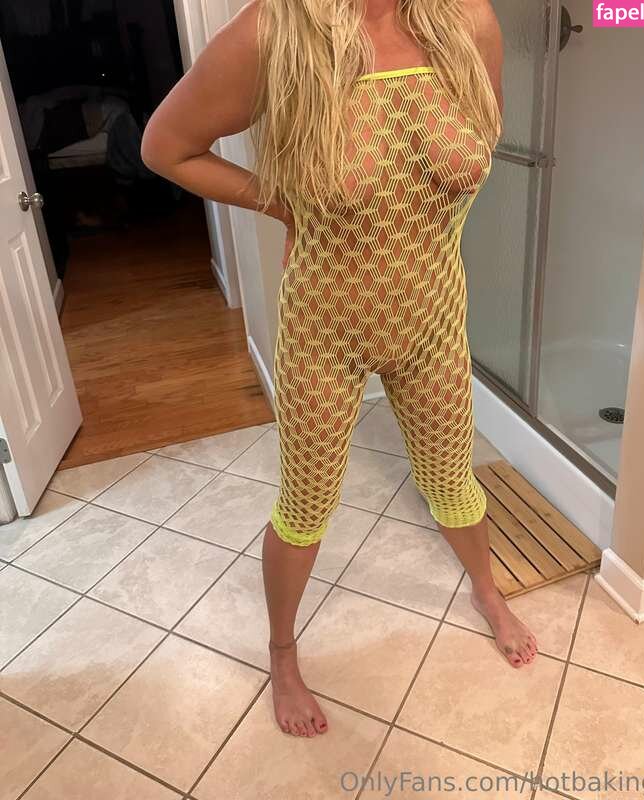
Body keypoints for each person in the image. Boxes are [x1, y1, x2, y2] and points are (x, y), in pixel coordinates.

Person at [141, 0, 538, 740]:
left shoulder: (466, 20)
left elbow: (478, 140)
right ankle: (282, 653)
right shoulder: (271, 32)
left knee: (453, 477)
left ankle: (487, 591)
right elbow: (165, 147)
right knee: (306, 504)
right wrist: (282, 205)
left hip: (432, 313)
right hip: (325, 327)